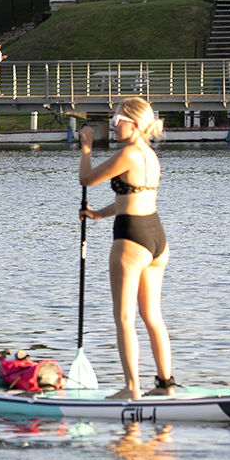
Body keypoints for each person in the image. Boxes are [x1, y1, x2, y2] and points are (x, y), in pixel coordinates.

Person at [78, 97, 173, 401]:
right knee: (152, 315)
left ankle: (132, 388)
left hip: (131, 239)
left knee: (124, 317)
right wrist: (98, 214)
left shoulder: (128, 153)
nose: (113, 124)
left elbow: (86, 179)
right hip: (156, 237)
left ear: (134, 123)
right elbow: (131, 198)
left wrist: (87, 147)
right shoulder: (149, 155)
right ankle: (164, 383)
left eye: (117, 120)